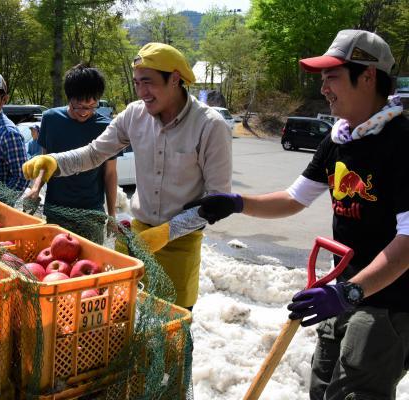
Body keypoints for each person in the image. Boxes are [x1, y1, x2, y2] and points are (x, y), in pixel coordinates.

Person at [186, 30, 409, 399]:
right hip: (343, 287)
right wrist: (238, 203)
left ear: (368, 76)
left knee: (356, 392)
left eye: (332, 77)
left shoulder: (400, 143)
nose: (324, 88)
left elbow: (407, 240)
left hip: (390, 301)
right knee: (321, 386)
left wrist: (351, 292)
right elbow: (294, 198)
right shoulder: (340, 138)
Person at [23, 44, 232, 309]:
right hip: (137, 235)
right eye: (136, 83)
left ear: (176, 79)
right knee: (124, 315)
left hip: (181, 243)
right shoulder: (135, 114)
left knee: (172, 324)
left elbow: (218, 201)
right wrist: (55, 160)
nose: (142, 92)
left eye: (148, 82)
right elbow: (94, 153)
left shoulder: (210, 125)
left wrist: (168, 231)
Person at [25, 64, 118, 244]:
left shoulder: (105, 127)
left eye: (92, 107)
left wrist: (112, 215)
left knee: (92, 265)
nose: (85, 113)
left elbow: (110, 173)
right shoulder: (50, 119)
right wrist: (35, 189)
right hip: (56, 209)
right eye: (79, 107)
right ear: (69, 98)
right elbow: (46, 162)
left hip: (92, 213)